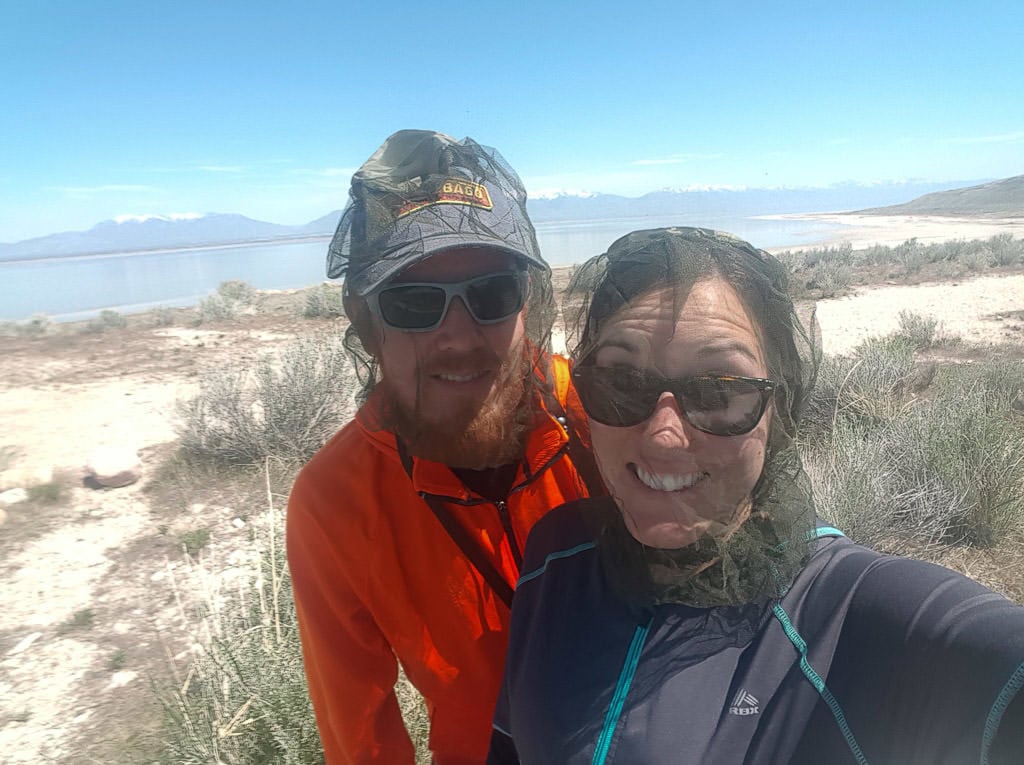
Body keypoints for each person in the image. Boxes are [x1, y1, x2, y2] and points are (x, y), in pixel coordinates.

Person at [489, 227, 1024, 764]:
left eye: (719, 391)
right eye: (622, 383)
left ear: (781, 408)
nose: (662, 434)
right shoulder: (556, 555)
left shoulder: (851, 613)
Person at [286, 130, 600, 764]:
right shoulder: (335, 504)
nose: (458, 335)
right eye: (413, 303)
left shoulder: (599, 414)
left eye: (491, 294)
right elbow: (362, 738)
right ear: (366, 323)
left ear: (526, 301)